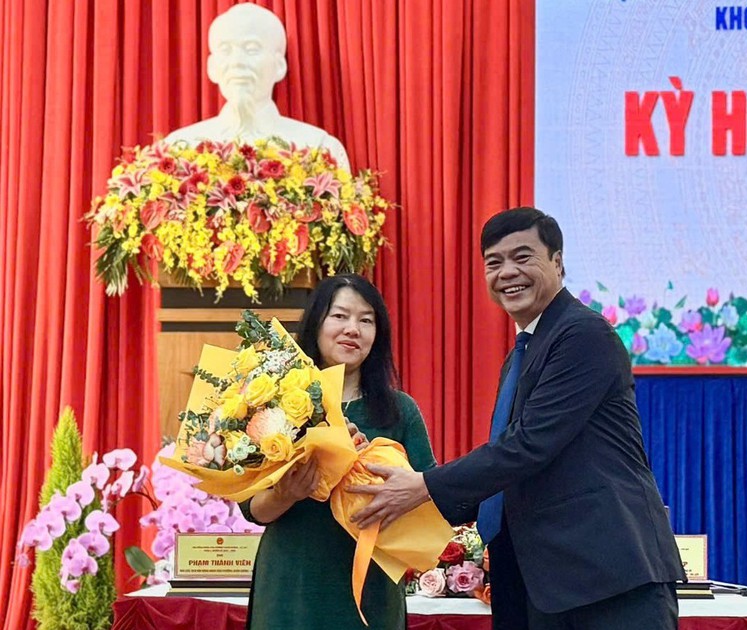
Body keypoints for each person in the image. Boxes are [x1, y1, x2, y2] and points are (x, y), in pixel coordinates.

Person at [349, 208, 685, 629]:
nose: (507, 272)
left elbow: (529, 445)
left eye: (523, 257)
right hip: (542, 582)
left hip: (606, 578)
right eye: (494, 262)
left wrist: (423, 487)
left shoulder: (583, 334)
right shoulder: (522, 354)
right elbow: (512, 468)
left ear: (558, 262)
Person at [238, 273, 436, 630]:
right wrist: (287, 494)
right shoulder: (273, 403)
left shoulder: (399, 410)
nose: (352, 329)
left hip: (370, 588)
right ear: (316, 323)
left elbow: (429, 495)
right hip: (292, 584)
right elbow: (251, 509)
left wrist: (371, 468)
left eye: (366, 320)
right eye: (340, 316)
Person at [164, 3, 351, 169]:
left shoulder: (319, 149)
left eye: (251, 49)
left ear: (279, 66)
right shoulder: (178, 150)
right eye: (225, 50)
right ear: (212, 67)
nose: (237, 62)